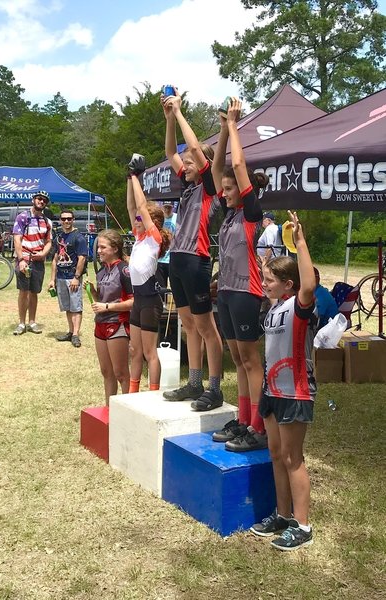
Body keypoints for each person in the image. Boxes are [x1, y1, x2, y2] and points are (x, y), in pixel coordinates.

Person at [250, 211, 317, 551]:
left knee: (293, 457)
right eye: (265, 279)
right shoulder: (273, 308)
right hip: (272, 392)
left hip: (296, 392)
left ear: (288, 285)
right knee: (276, 454)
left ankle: (303, 526)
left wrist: (300, 243)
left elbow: (309, 284)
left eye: (271, 280)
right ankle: (283, 514)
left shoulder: (299, 306)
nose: (266, 284)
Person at [211, 97, 268, 452]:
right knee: (237, 360)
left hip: (247, 292)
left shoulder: (250, 212)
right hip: (228, 292)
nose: (224, 192)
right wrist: (220, 132)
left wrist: (234, 125)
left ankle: (259, 428)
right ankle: (245, 420)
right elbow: (218, 171)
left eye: (230, 189)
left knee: (251, 360)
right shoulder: (229, 214)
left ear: (243, 191)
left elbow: (239, 164)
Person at [161, 87, 224, 411]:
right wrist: (169, 118)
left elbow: (194, 148)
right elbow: (171, 149)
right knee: (188, 324)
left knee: (206, 326)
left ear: (202, 165)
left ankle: (214, 388)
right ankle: (195, 382)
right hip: (177, 261)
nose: (183, 165)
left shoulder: (210, 187)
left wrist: (181, 111)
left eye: (189, 163)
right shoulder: (187, 188)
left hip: (197, 261)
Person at [126, 153, 172, 393]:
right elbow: (132, 206)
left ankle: (153, 392)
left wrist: (136, 176)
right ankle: (133, 393)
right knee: (134, 350)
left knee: (148, 352)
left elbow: (141, 207)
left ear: (152, 221)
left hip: (151, 300)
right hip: (138, 299)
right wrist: (128, 178)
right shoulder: (139, 237)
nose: (136, 220)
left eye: (140, 220)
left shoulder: (153, 238)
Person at [85, 230, 133, 405]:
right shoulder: (101, 271)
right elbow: (101, 301)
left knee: (121, 373)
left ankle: (129, 409)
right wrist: (93, 292)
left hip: (117, 323)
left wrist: (107, 307)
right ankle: (109, 409)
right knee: (106, 372)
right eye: (98, 247)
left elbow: (134, 301)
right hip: (100, 324)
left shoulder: (124, 270)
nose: (98, 250)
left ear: (115, 248)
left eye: (103, 247)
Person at [12, 191, 53, 335]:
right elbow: (17, 239)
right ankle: (21, 323)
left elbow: (48, 241)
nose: (41, 202)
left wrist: (43, 253)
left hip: (38, 261)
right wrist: (21, 259)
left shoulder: (47, 222)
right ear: (33, 200)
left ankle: (32, 322)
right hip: (25, 259)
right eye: (39, 199)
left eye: (44, 200)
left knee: (34, 292)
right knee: (23, 292)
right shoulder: (23, 217)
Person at [48, 210, 87, 348]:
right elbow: (55, 259)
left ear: (73, 220)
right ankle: (70, 332)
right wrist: (52, 279)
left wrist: (77, 277)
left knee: (76, 307)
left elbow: (82, 258)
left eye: (69, 219)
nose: (66, 221)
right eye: (63, 219)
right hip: (60, 277)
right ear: (60, 220)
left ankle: (76, 334)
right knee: (67, 307)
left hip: (72, 277)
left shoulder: (79, 237)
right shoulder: (59, 237)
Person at [157, 201, 177, 290]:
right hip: (160, 259)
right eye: (165, 207)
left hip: (172, 258)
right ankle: (163, 303)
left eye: (169, 207)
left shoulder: (177, 217)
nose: (167, 210)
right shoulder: (159, 219)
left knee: (175, 287)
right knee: (161, 288)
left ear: (172, 207)